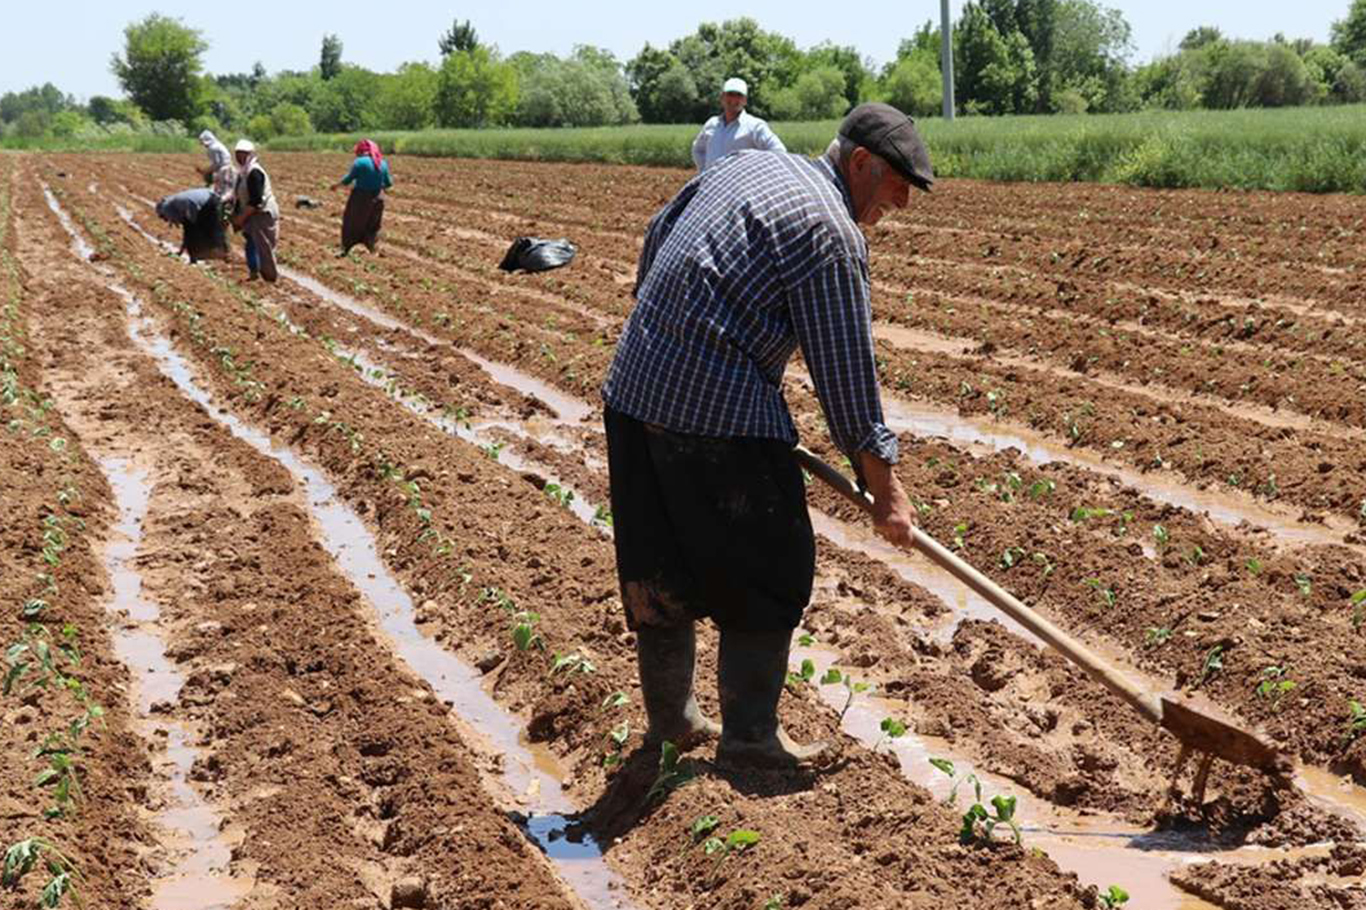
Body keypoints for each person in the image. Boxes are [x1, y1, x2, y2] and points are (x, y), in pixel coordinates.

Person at [602, 103, 933, 769]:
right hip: (715, 409)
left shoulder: (745, 166)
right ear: (860, 162)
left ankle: (672, 725)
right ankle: (750, 742)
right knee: (771, 567)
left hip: (633, 389)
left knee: (659, 570)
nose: (900, 201)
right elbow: (846, 372)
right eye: (898, 182)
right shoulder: (831, 232)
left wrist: (670, 331)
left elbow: (656, 233)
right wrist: (886, 488)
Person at [691, 77, 786, 171]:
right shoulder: (711, 124)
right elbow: (698, 150)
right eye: (730, 94)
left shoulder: (755, 127)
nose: (734, 99)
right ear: (722, 98)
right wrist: (704, 172)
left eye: (739, 95)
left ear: (745, 100)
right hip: (714, 185)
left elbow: (779, 152)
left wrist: (757, 173)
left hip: (742, 185)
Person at [330, 139, 392, 256]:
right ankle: (371, 248)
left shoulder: (359, 162)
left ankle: (346, 249)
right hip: (379, 197)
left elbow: (348, 179)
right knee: (373, 224)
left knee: (352, 222)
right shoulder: (382, 163)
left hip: (361, 197)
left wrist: (336, 186)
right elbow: (389, 183)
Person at [230, 139, 280, 282]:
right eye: (238, 154)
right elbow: (240, 195)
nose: (240, 157)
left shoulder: (254, 172)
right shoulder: (243, 172)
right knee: (252, 243)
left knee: (263, 246)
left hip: (262, 213)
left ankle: (270, 277)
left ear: (251, 155)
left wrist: (241, 218)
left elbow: (256, 201)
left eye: (244, 154)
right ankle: (255, 272)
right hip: (252, 213)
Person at [155, 187, 229, 263]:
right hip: (211, 198)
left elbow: (189, 229)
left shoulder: (167, 208)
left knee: (200, 231)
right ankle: (220, 253)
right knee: (208, 229)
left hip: (207, 203)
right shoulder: (174, 202)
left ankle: (219, 254)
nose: (166, 220)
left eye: (164, 218)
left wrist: (182, 249)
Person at [198, 130, 236, 203]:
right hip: (230, 167)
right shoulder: (218, 144)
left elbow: (217, 164)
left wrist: (206, 171)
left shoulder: (212, 148)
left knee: (222, 191)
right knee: (230, 188)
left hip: (223, 170)